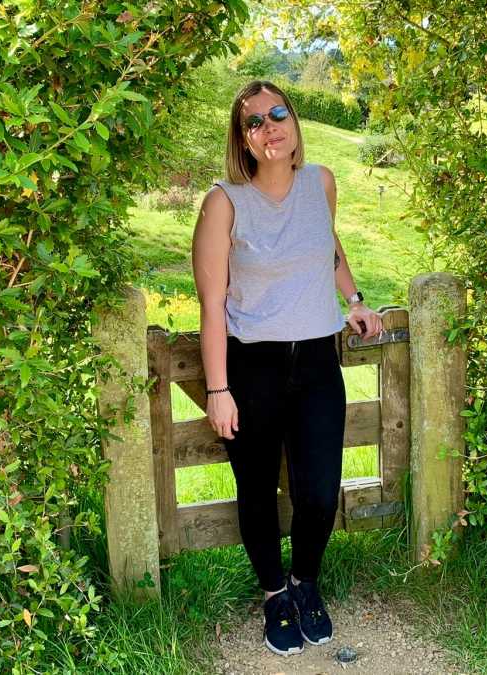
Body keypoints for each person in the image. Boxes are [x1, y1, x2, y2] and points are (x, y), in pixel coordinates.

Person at [190, 80, 384, 656]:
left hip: (319, 361)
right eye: (254, 122)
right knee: (255, 490)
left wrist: (354, 300)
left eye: (278, 113)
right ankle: (274, 594)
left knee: (320, 492)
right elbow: (211, 303)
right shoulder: (224, 201)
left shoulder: (320, 182)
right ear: (243, 140)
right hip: (253, 367)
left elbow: (328, 246)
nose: (269, 126)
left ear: (294, 121)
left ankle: (305, 582)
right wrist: (219, 389)